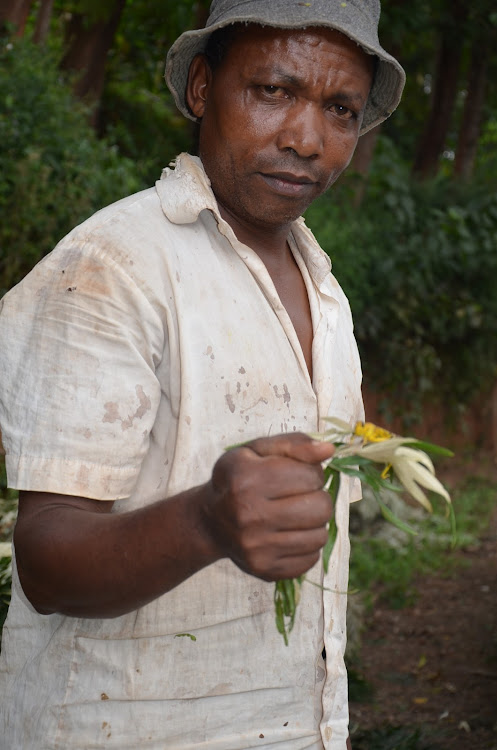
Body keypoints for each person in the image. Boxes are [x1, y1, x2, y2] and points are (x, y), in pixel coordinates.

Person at [0, 1, 404, 748]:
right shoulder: (112, 266)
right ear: (199, 88)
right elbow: (46, 561)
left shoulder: (323, 287)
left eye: (339, 108)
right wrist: (205, 520)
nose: (305, 139)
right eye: (273, 91)